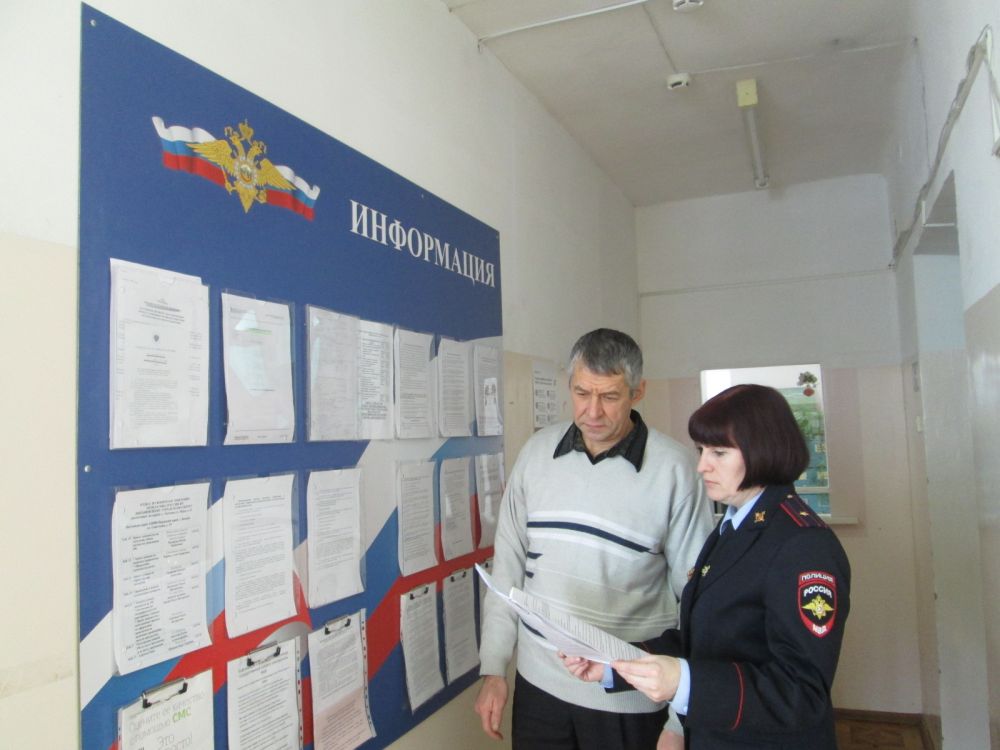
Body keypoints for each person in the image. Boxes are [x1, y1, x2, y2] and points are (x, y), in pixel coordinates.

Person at [562, 384, 851, 749]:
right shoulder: (732, 527)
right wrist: (613, 662)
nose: (702, 466)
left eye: (719, 452)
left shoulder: (803, 545)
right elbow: (703, 640)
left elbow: (801, 691)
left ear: (764, 449)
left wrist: (685, 683)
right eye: (701, 450)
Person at [475, 328, 713, 749]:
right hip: (538, 689)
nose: (593, 411)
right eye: (582, 393)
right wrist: (494, 668)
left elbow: (698, 603)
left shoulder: (676, 471)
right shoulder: (536, 454)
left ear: (638, 392)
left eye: (610, 396)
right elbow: (508, 565)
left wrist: (679, 720)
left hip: (629, 699)